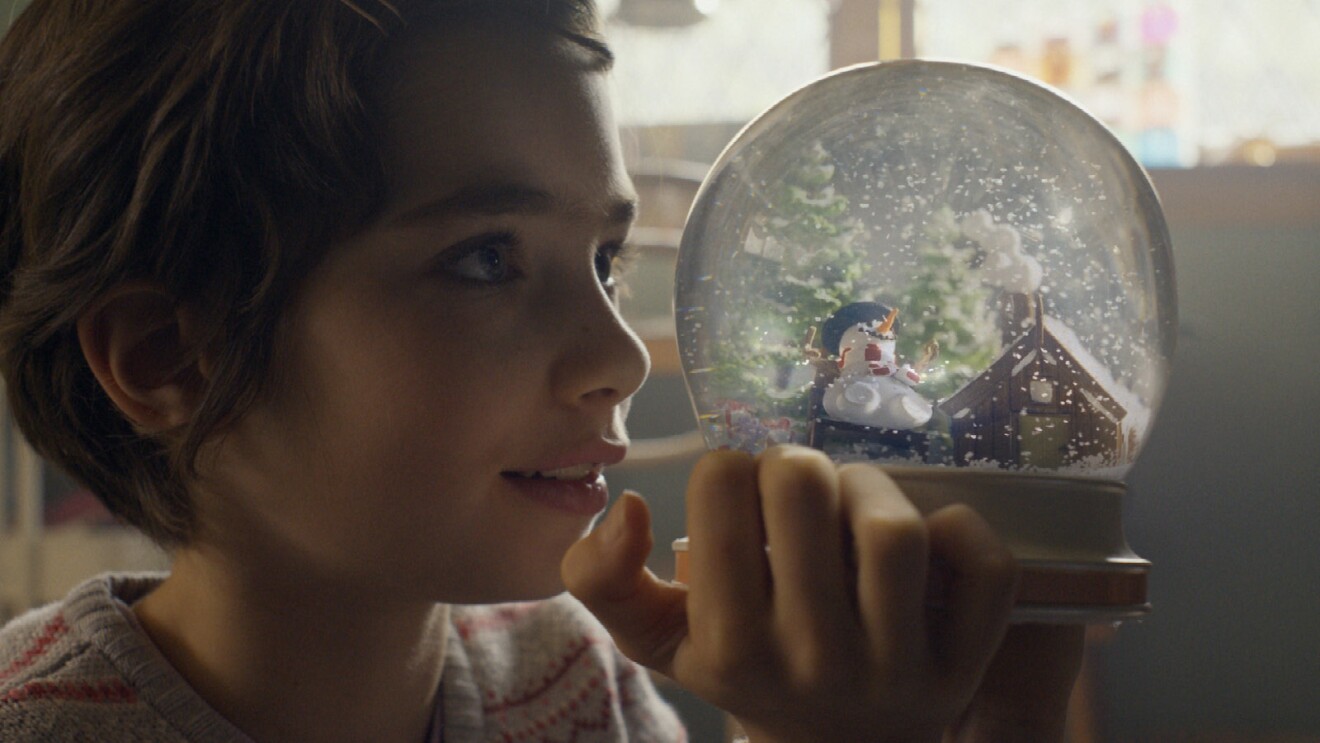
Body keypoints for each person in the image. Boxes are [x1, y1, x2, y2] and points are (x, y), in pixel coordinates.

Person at [0, 0, 1083, 740]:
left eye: (604, 259)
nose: (617, 355)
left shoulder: (575, 682)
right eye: (485, 259)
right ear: (166, 357)